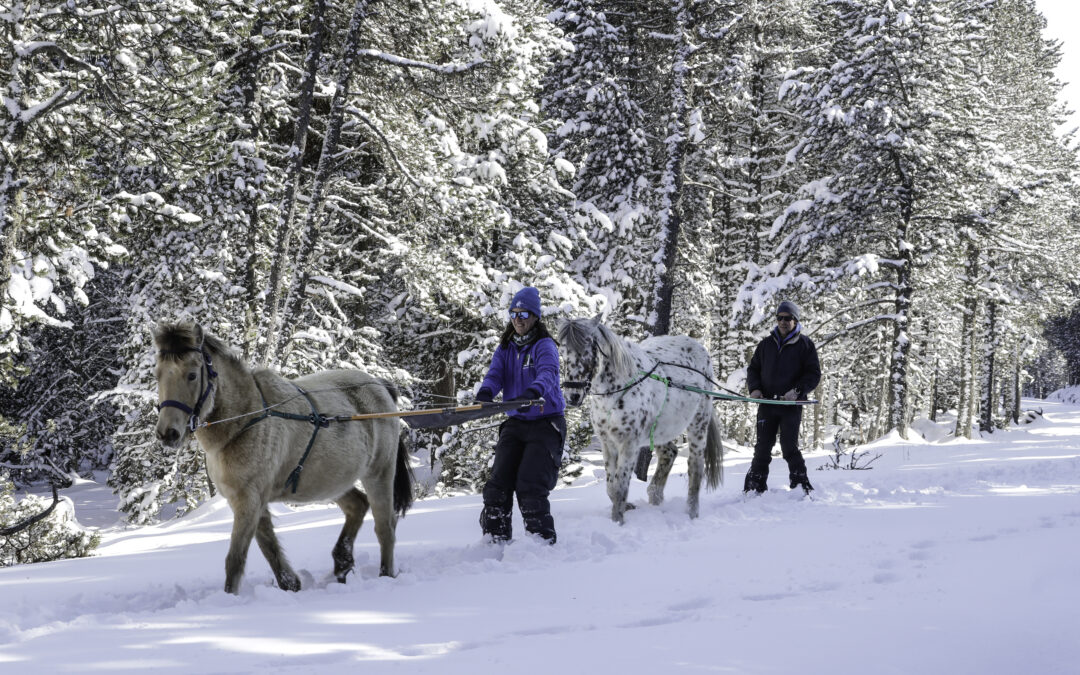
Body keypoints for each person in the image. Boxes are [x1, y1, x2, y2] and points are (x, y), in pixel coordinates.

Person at [473, 286, 567, 544]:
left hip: (546, 423)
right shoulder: (506, 347)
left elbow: (548, 373)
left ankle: (541, 544)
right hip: (516, 421)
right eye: (513, 313)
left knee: (530, 486)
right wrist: (486, 393)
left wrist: (533, 392)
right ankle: (495, 541)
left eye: (524, 313)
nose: (518, 318)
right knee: (497, 486)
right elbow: (496, 374)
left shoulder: (544, 345)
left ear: (535, 317)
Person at [744, 300, 821, 494]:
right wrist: (754, 389)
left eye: (788, 318)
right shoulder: (766, 345)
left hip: (790, 406)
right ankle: (755, 484)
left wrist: (796, 391)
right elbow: (753, 369)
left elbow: (813, 374)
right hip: (767, 404)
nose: (783, 322)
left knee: (789, 447)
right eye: (780, 318)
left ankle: (800, 484)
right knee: (762, 447)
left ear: (795, 320)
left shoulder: (805, 345)